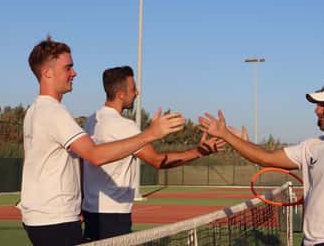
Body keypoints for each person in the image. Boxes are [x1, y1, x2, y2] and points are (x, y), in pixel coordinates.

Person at [17, 36, 186, 246]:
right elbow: (94, 155)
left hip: (45, 217)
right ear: (47, 72)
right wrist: (151, 133)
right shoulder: (54, 112)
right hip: (54, 220)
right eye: (68, 68)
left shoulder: (34, 111)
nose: (74, 73)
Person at [198, 83, 324, 246]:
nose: (317, 110)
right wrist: (227, 135)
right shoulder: (312, 146)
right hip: (309, 242)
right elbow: (266, 157)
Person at [81, 66, 224, 241]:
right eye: (133, 89)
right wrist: (199, 151)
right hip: (114, 215)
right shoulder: (125, 126)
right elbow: (157, 161)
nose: (137, 93)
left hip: (90, 211)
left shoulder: (90, 121)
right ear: (120, 94)